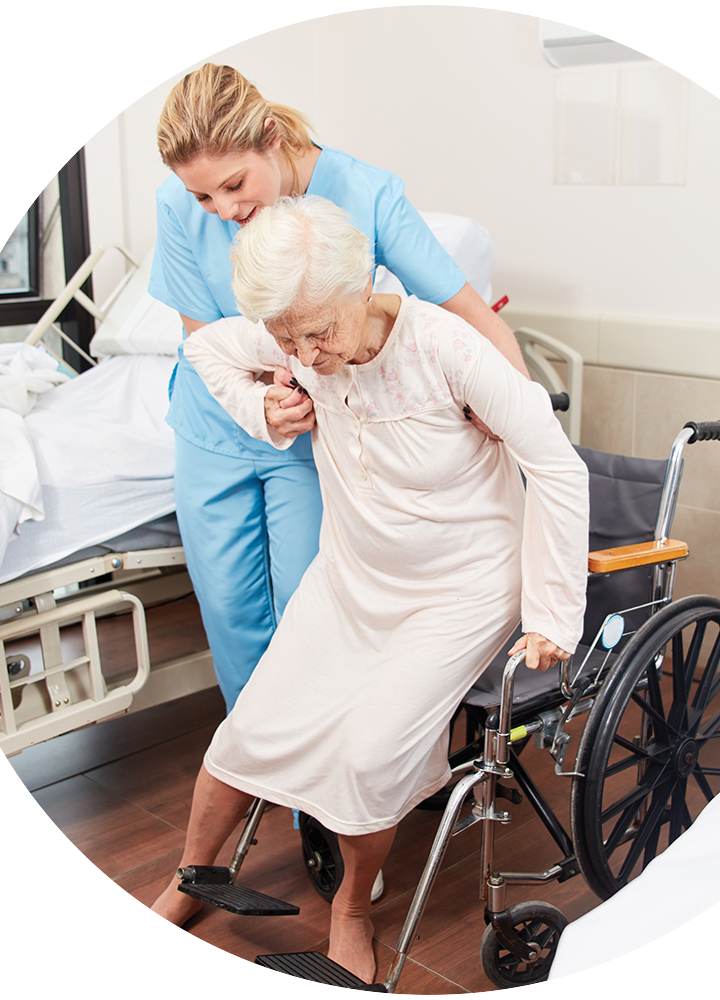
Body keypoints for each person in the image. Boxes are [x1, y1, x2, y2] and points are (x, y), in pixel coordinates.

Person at [117, 196, 589, 983]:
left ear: (363, 286)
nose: (305, 352)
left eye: (318, 332)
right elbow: (207, 353)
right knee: (250, 730)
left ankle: (352, 908)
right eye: (285, 336)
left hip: (460, 587)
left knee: (368, 758)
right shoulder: (294, 337)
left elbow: (556, 465)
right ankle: (184, 882)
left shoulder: (446, 348)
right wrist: (261, 404)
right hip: (353, 574)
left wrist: (550, 613)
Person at [152, 63, 529, 710]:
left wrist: (520, 410)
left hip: (312, 436)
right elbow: (202, 338)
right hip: (213, 428)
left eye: (235, 185)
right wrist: (253, 402)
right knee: (232, 619)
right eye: (204, 198)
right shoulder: (176, 206)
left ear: (271, 136)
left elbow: (468, 312)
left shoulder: (364, 193)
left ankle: (319, 803)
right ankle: (264, 772)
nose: (224, 211)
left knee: (314, 615)